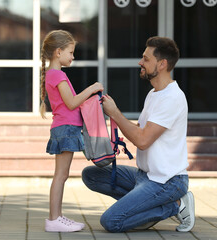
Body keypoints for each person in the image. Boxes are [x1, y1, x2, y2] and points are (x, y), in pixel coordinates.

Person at [82, 36, 195, 233]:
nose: (140, 62)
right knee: (91, 175)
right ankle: (144, 206)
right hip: (145, 176)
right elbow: (141, 132)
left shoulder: (172, 98)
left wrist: (115, 113)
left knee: (111, 221)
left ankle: (175, 205)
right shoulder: (154, 94)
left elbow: (142, 140)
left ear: (162, 64)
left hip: (166, 182)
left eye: (146, 58)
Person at [40, 30, 104, 232]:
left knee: (62, 175)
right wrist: (92, 88)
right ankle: (54, 219)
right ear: (58, 52)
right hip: (65, 129)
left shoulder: (54, 74)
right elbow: (72, 102)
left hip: (65, 128)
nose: (73, 56)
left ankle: (56, 217)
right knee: (61, 175)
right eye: (70, 52)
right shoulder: (57, 74)